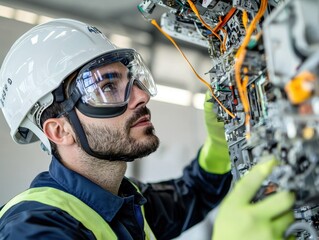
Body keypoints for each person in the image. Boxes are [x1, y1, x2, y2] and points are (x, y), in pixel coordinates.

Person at [0, 18, 294, 240]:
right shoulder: (32, 228)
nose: (141, 95)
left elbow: (193, 194)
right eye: (107, 87)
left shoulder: (127, 203)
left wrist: (218, 148)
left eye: (132, 79)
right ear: (59, 131)